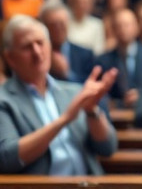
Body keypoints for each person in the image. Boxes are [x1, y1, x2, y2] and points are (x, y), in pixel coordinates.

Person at [0, 15, 118, 174]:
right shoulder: (4, 99)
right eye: (27, 47)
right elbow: (6, 158)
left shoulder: (73, 92)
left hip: (87, 182)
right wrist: (64, 119)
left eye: (40, 43)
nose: (37, 52)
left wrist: (92, 111)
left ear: (50, 47)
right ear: (10, 58)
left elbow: (108, 148)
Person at [96, 8, 142, 107]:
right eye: (119, 26)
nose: (123, 29)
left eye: (127, 25)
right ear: (114, 30)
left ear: (136, 27)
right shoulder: (103, 61)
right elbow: (100, 94)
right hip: (116, 112)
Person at [38, 0, 95, 83]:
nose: (58, 29)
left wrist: (67, 74)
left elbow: (90, 86)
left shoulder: (85, 55)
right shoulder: (37, 54)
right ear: (43, 26)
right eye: (53, 25)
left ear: (68, 23)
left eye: (61, 24)